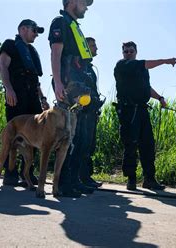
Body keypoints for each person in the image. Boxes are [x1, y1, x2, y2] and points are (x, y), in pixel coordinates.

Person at [113, 41, 176, 190]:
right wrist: (165, 61)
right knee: (131, 145)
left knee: (148, 145)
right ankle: (131, 180)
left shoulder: (142, 69)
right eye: (126, 51)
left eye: (131, 51)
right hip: (128, 111)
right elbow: (146, 64)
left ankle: (149, 179)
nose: (129, 53)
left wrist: (160, 98)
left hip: (143, 110)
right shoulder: (122, 65)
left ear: (136, 52)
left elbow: (147, 88)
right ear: (123, 53)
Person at [48, 0, 95, 197]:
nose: (87, 6)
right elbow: (55, 53)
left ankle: (74, 181)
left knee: (82, 138)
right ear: (73, 1)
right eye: (85, 2)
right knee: (69, 136)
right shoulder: (60, 22)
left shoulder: (75, 26)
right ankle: (63, 185)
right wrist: (58, 83)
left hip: (80, 88)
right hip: (68, 87)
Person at [0, 19, 48, 186]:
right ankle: (9, 174)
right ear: (23, 29)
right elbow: (3, 66)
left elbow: (36, 80)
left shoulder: (32, 51)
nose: (36, 34)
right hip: (16, 96)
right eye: (34, 30)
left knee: (33, 136)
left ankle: (27, 173)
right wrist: (8, 89)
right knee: (13, 137)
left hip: (32, 98)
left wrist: (43, 98)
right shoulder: (10, 45)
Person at [79, 37, 104, 188]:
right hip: (83, 113)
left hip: (92, 112)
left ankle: (86, 176)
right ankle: (82, 177)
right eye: (93, 46)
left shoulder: (89, 67)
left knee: (90, 145)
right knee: (83, 143)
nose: (96, 48)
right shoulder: (80, 65)